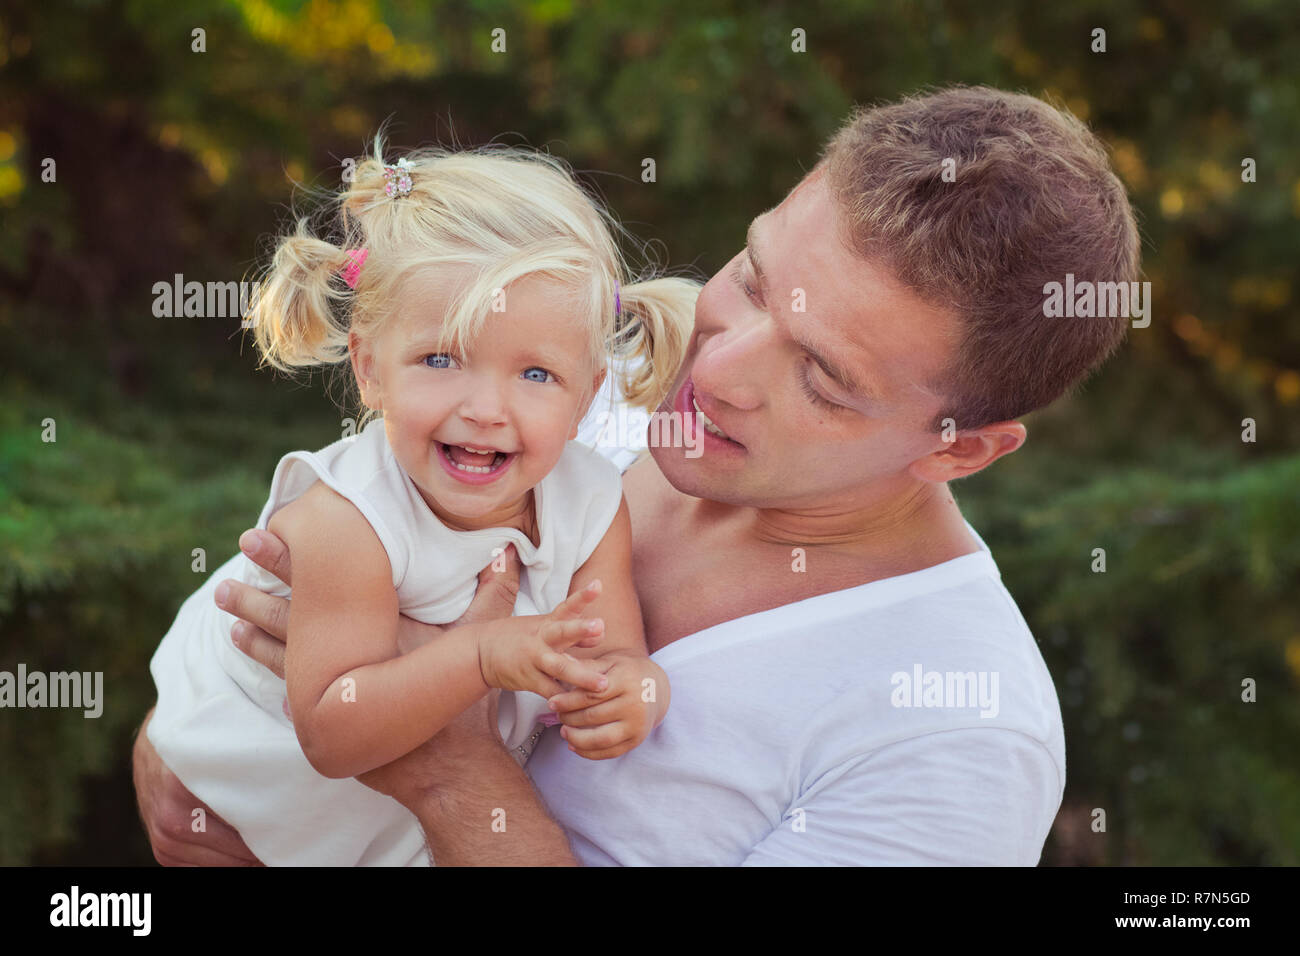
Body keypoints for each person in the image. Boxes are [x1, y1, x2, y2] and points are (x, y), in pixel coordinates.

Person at [135, 85, 1140, 865]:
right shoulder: (561, 385)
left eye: (821, 376)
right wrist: (191, 752)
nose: (712, 369)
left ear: (958, 445)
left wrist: (444, 766)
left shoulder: (953, 735)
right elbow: (257, 621)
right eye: (750, 278)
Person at [142, 142, 697, 865]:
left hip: (405, 813)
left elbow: (614, 650)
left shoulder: (591, 499)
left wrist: (636, 689)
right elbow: (333, 736)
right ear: (369, 367)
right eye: (441, 359)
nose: (486, 409)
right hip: (262, 771)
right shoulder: (348, 521)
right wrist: (478, 654)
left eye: (536, 373)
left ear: (589, 395)